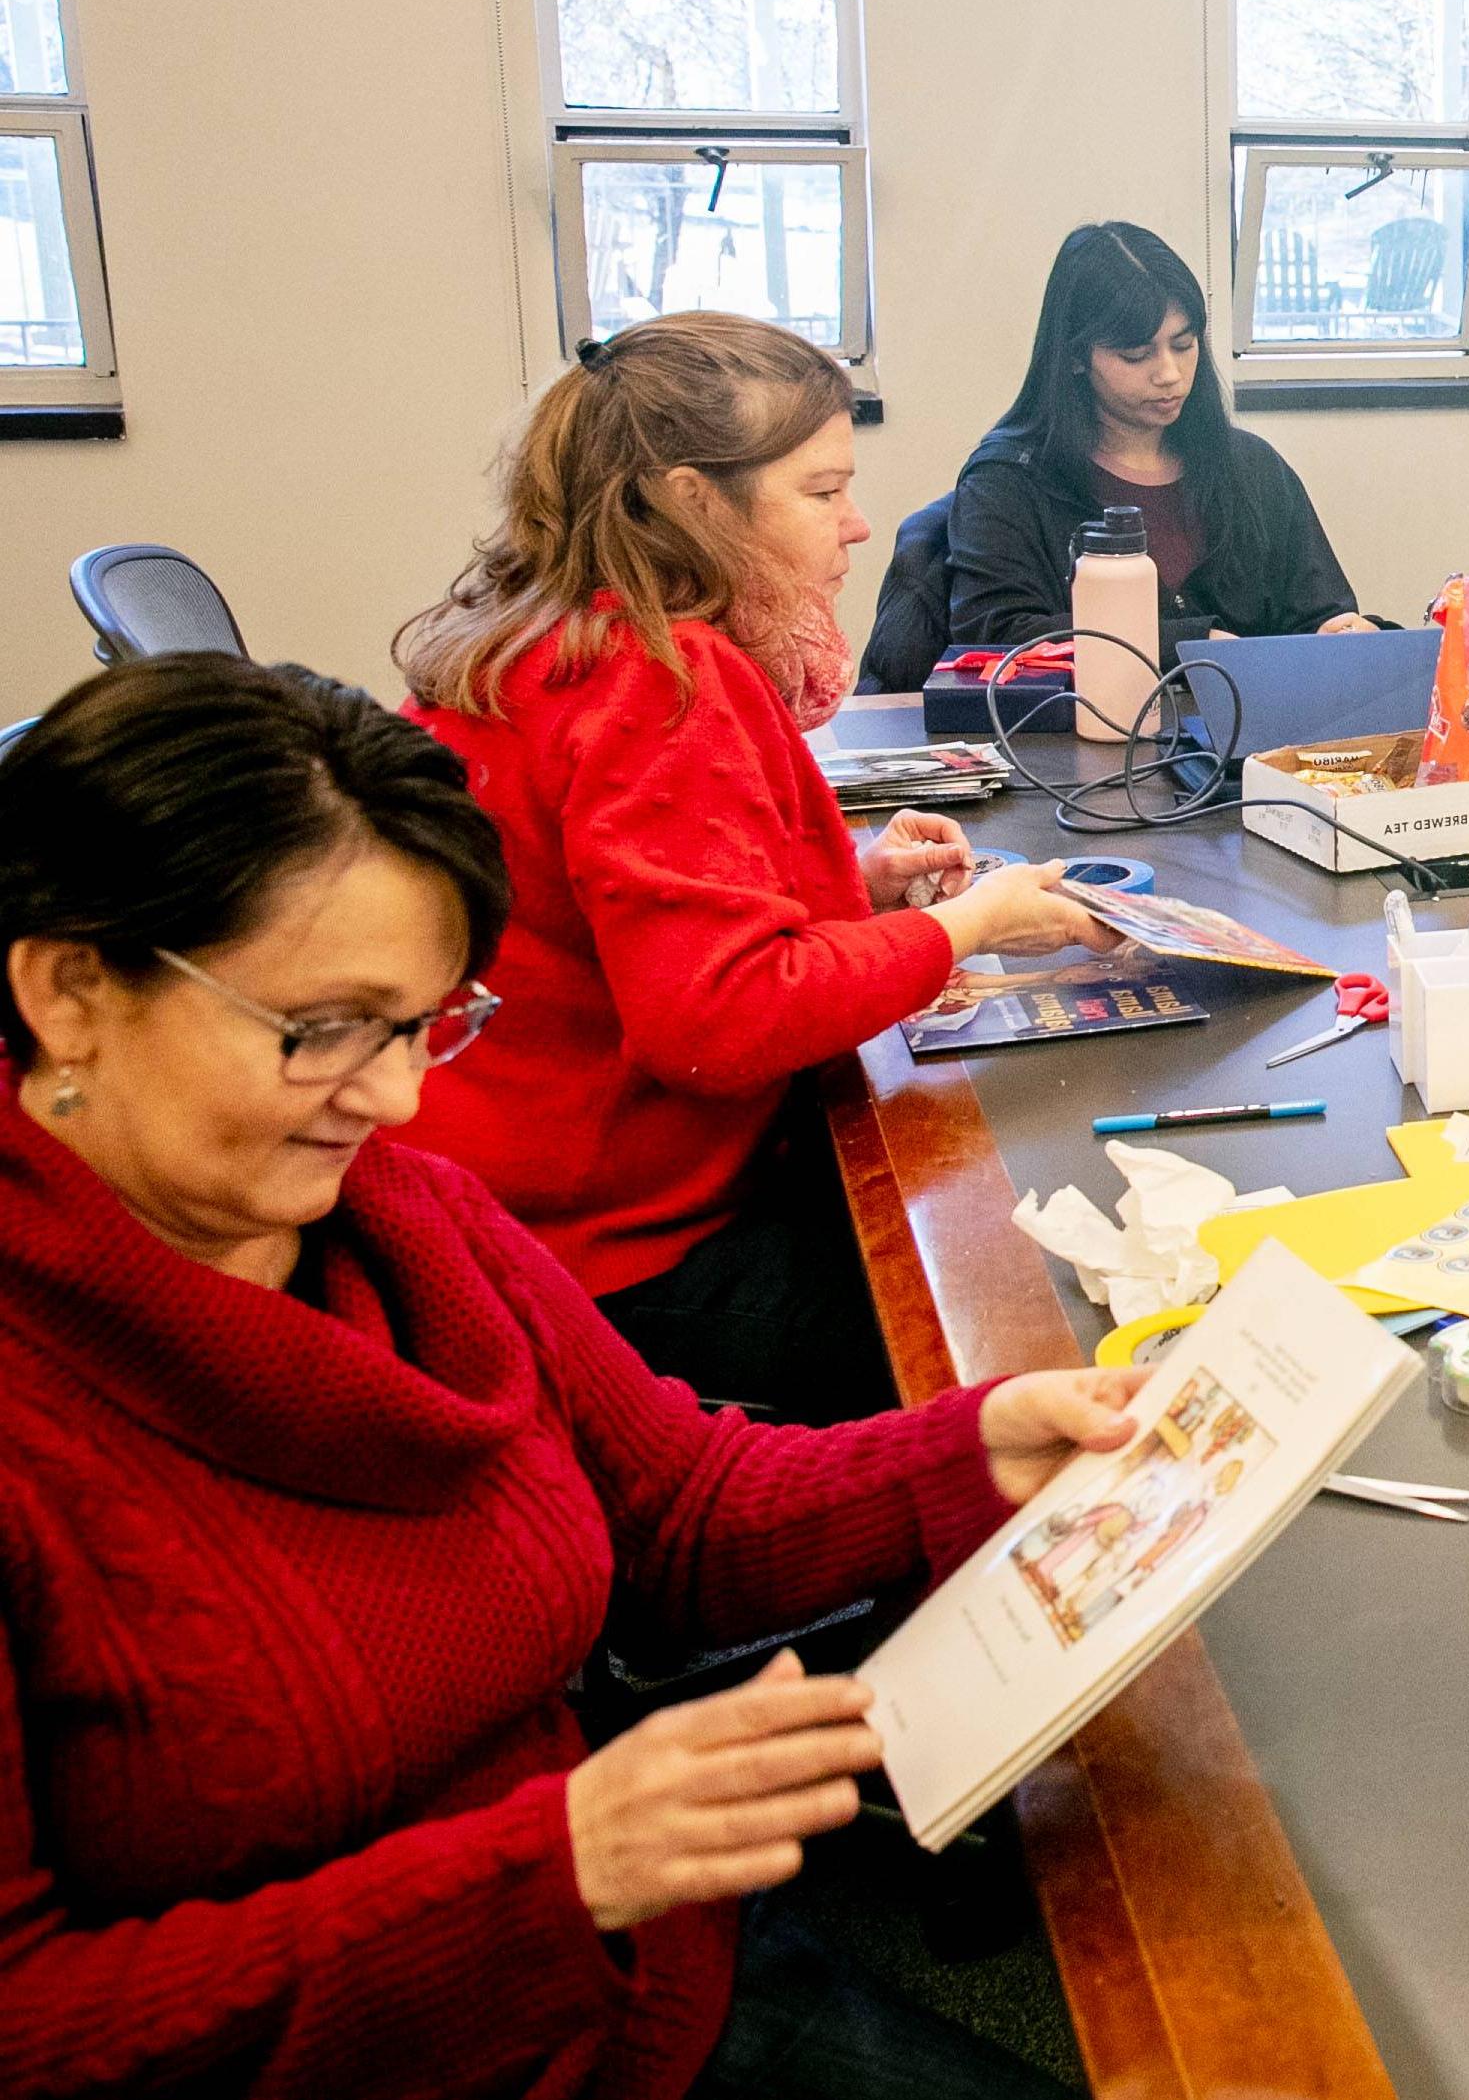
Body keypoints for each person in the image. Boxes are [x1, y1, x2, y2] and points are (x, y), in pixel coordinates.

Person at [0, 652, 1133, 2100]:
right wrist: (556, 1869)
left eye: (424, 1025)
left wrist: (980, 1447)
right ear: (68, 988)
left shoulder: (407, 1217)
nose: (398, 1096)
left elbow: (680, 1507)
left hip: (623, 1982)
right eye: (322, 1030)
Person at [397, 313, 1109, 1421]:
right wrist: (964, 929)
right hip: (608, 1276)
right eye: (822, 494)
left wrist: (851, 887)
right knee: (1043, 1317)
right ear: (692, 502)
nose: (859, 525)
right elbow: (718, 1020)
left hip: (487, 1230)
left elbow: (617, 911)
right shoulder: (657, 677)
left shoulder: (554, 636)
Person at [940, 220, 1375, 657]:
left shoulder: (1253, 468)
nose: (1169, 374)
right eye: (1136, 355)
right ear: (1075, 357)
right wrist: (1186, 645)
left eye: (1184, 346)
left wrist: (1345, 636)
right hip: (1079, 724)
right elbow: (996, 635)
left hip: (1253, 722)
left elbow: (1319, 615)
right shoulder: (1008, 482)